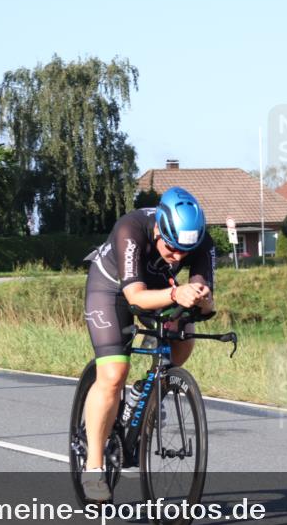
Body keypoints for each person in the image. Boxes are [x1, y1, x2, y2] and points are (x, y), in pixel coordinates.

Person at [80, 187, 216, 501]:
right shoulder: (131, 228)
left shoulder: (201, 241)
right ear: (158, 230)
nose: (179, 256)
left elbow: (203, 295)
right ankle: (94, 466)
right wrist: (175, 294)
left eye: (187, 250)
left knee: (185, 332)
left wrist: (202, 299)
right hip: (112, 289)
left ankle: (149, 388)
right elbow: (135, 298)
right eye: (171, 248)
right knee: (113, 375)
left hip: (159, 288)